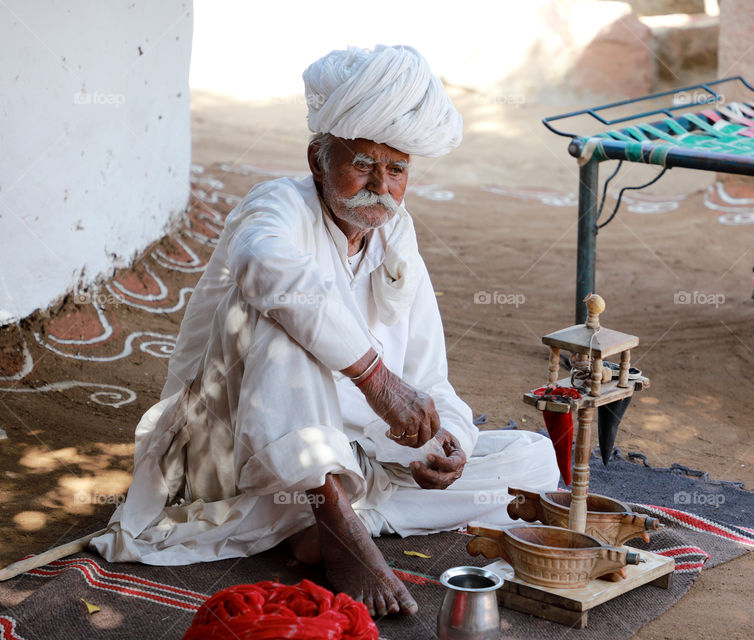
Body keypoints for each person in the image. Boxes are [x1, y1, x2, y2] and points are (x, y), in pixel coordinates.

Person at [90, 44, 560, 618]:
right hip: (230, 452)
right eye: (362, 163)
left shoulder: (396, 234)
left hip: (359, 455)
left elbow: (429, 376)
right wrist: (375, 379)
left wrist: (448, 444)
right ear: (319, 159)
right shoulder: (277, 206)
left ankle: (336, 515)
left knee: (533, 462)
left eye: (397, 169)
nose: (380, 186)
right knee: (282, 317)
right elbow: (267, 271)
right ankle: (335, 521)